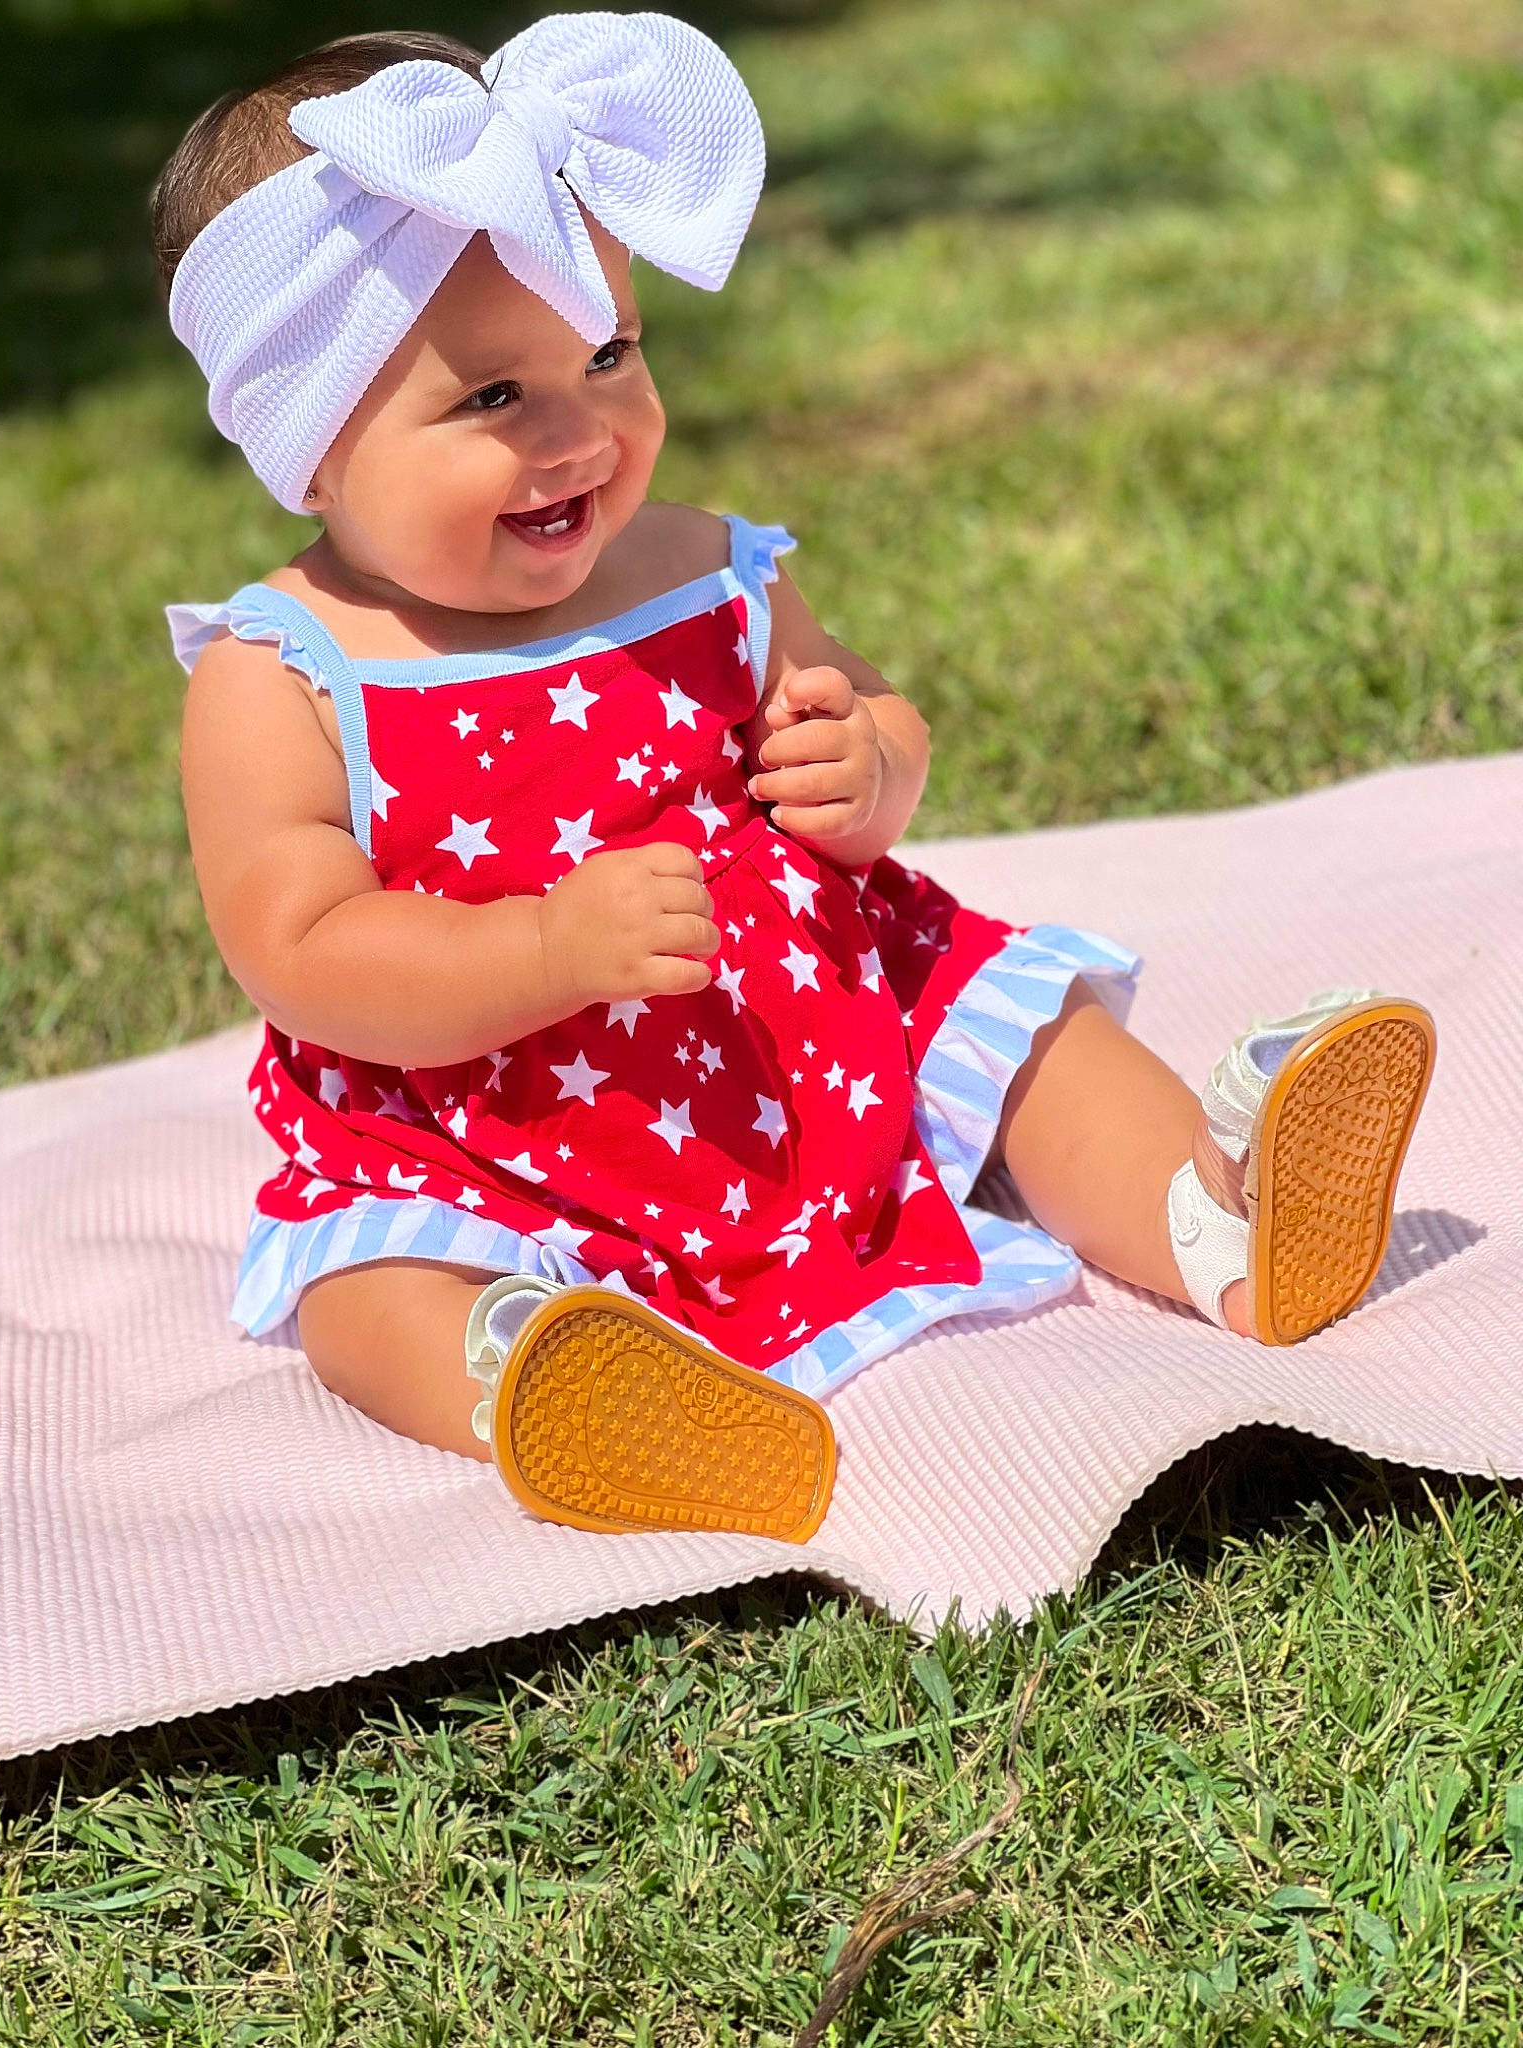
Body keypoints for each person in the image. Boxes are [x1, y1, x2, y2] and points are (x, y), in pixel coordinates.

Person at [157, 12, 1435, 1542]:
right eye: (493, 398)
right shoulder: (287, 671)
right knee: (365, 1284)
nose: (580, 431)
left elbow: (873, 714)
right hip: (496, 1130)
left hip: (820, 1035)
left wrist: (868, 765)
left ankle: (1219, 1221)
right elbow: (298, 950)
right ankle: (542, 1379)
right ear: (308, 443)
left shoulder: (701, 564)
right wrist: (544, 949)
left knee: (1033, 1040)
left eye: (609, 354)